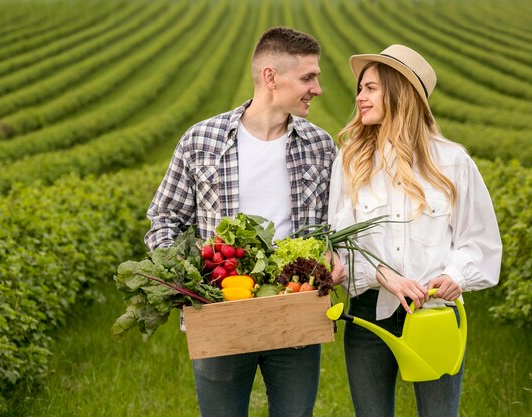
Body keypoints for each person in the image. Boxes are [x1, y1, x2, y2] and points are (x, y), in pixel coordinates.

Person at [144, 27, 342, 417]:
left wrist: (334, 256)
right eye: (308, 77)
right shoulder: (202, 140)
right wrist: (186, 279)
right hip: (221, 312)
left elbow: (334, 226)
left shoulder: (321, 146)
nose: (317, 88)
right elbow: (164, 219)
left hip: (295, 310)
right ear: (271, 77)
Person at [328, 45, 503, 417]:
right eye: (360, 88)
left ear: (400, 91)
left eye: (370, 88)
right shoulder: (350, 161)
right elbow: (338, 245)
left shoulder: (452, 161)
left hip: (436, 313)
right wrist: (383, 274)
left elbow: (480, 240)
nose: (359, 97)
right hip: (369, 316)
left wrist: (456, 275)